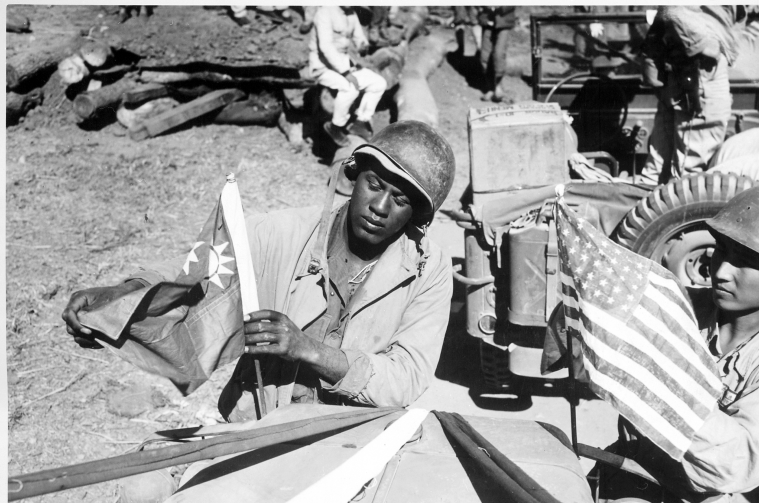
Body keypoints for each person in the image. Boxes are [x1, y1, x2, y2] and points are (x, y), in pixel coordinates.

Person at [62, 121, 456, 422]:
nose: (380, 207)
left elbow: (406, 377)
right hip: (260, 425)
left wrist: (308, 349)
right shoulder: (283, 232)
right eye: (374, 185)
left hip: (355, 438)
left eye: (400, 200)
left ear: (417, 216)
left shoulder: (427, 270)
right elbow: (198, 274)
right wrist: (120, 297)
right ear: (354, 178)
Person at [548, 186, 759, 503]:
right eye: (721, 250)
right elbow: (582, 356)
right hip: (621, 470)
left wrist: (658, 388)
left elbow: (737, 461)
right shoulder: (674, 305)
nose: (722, 271)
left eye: (744, 260)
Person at [639, 5, 746, 185]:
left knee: (661, 168)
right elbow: (675, 12)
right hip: (696, 72)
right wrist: (710, 44)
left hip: (686, 69)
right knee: (689, 179)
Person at [310, 5, 388, 145]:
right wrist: (346, 72)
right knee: (350, 87)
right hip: (323, 66)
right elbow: (325, 47)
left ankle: (360, 122)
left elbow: (359, 38)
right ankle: (335, 126)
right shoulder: (324, 12)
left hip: (344, 63)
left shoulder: (351, 14)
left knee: (378, 83)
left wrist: (363, 46)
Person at [477, 6, 517, 103]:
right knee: (484, 57)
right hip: (487, 20)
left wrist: (499, 6)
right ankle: (490, 88)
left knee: (498, 54)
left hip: (503, 20)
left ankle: (498, 85)